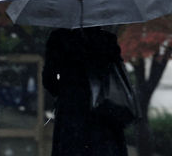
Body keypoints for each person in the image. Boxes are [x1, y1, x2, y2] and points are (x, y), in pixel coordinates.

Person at [42, 26, 128, 156]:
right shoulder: (107, 39)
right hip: (104, 111)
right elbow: (117, 75)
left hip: (71, 113)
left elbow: (49, 80)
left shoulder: (59, 39)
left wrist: (66, 90)